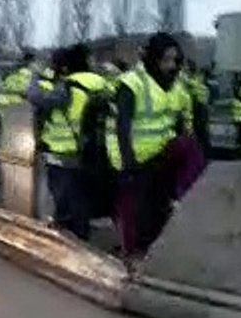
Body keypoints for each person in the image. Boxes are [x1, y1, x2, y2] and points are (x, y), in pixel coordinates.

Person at [108, 33, 206, 260]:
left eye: (175, 60)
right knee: (134, 213)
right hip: (134, 158)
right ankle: (133, 256)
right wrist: (127, 162)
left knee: (188, 148)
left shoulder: (178, 87)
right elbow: (122, 127)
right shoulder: (132, 84)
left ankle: (183, 201)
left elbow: (186, 124)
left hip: (162, 153)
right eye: (166, 60)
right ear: (153, 58)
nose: (171, 66)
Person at [28, 45, 108, 240]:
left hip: (64, 153)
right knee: (82, 198)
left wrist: (36, 78)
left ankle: (71, 244)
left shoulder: (68, 87)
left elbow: (37, 97)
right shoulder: (101, 83)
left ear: (65, 67)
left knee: (64, 201)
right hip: (93, 150)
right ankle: (82, 236)